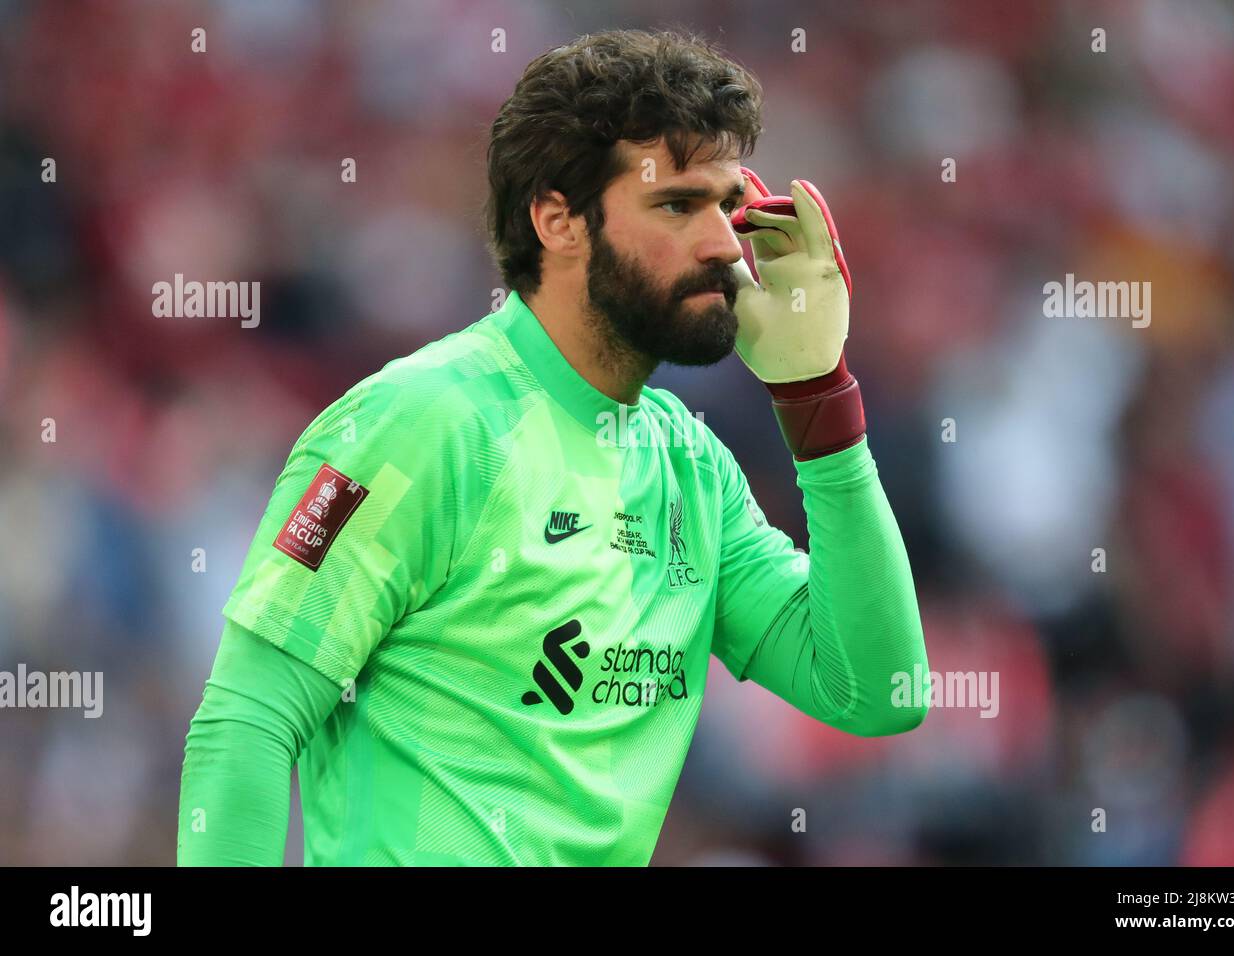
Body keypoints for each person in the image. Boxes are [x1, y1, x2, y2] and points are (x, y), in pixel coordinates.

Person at [177, 27, 929, 867]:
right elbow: (246, 719)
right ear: (558, 221)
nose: (724, 244)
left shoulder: (692, 469)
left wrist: (814, 395)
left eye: (726, 204)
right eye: (679, 205)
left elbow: (877, 691)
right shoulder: (420, 424)